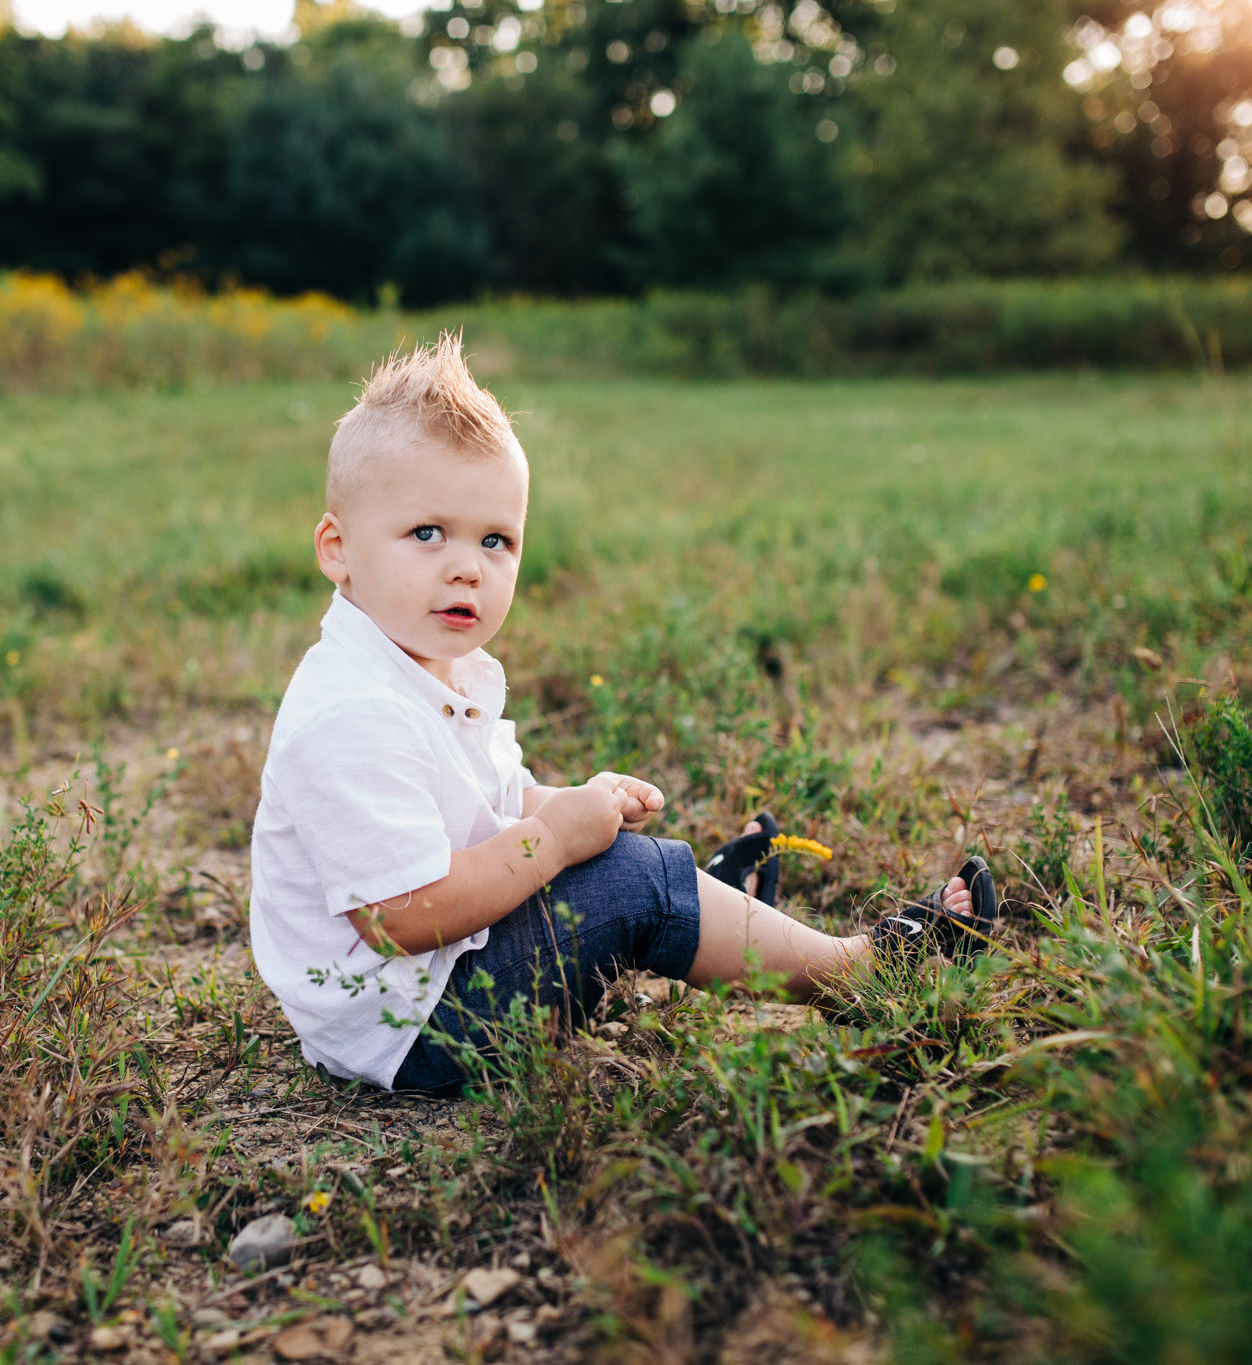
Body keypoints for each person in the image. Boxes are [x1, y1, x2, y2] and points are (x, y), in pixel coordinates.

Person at [247, 333, 995, 1096]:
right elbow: (403, 917)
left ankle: (707, 916)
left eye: (496, 539)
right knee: (628, 881)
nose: (467, 564)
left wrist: (569, 805)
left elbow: (491, 805)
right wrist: (557, 835)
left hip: (437, 987)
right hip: (424, 1032)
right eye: (427, 533)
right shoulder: (352, 713)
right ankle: (858, 972)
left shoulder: (431, 670)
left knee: (616, 870)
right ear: (337, 549)